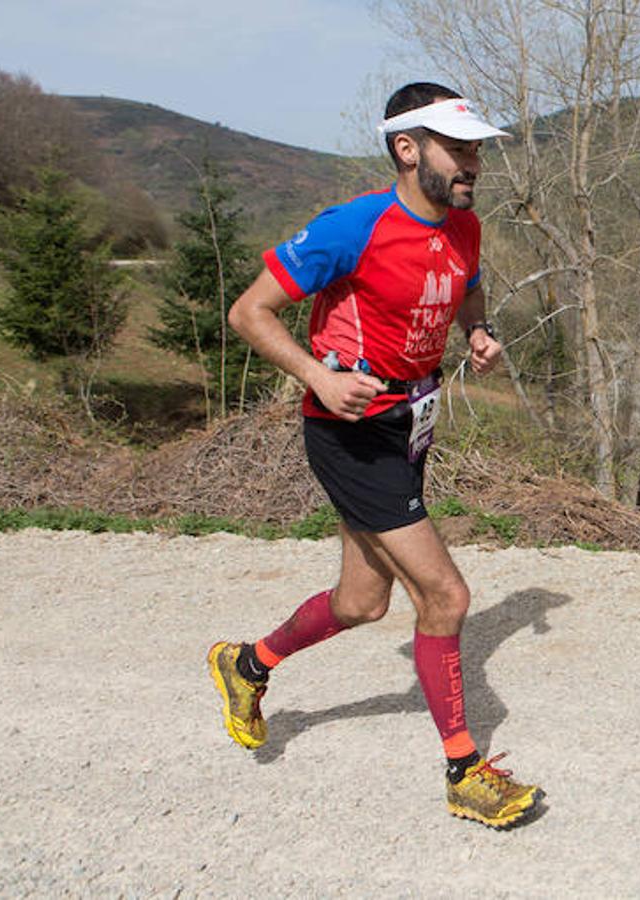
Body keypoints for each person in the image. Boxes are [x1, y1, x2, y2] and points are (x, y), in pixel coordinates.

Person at [208, 82, 540, 829]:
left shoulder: (464, 228)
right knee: (445, 597)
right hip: (349, 431)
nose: (472, 163)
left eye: (476, 149)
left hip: (407, 423)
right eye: (457, 149)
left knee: (362, 602)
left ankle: (247, 663)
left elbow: (467, 289)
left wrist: (475, 333)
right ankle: (464, 770)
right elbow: (248, 310)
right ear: (406, 148)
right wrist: (319, 377)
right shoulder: (352, 227)